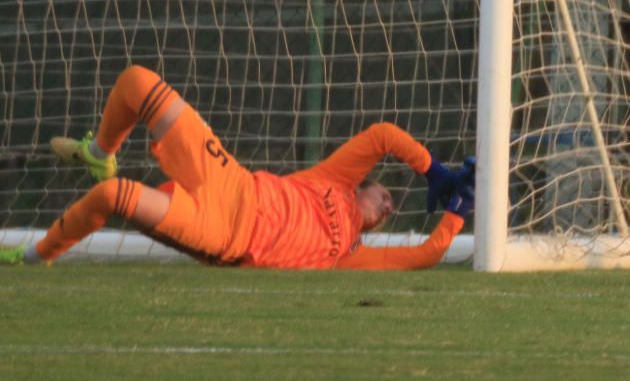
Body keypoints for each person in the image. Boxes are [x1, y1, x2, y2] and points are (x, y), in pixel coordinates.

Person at [0, 65, 474, 270]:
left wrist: (457, 213)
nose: (389, 205)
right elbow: (385, 135)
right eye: (385, 194)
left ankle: (35, 256)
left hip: (226, 235)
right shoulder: (332, 180)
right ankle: (100, 153)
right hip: (231, 180)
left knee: (112, 197)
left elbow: (423, 257)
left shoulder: (348, 255)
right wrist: (432, 171)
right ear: (361, 185)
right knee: (137, 83)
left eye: (390, 209)